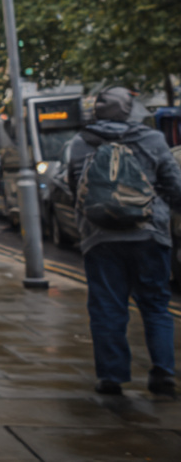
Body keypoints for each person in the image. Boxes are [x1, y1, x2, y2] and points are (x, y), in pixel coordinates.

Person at [65, 86, 181, 397]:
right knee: (156, 304)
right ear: (130, 109)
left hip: (100, 236)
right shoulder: (152, 139)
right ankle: (163, 373)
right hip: (149, 234)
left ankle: (111, 377)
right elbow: (174, 184)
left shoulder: (81, 141)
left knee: (106, 306)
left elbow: (74, 185)